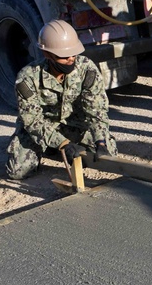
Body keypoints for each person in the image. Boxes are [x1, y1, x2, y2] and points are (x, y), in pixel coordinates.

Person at [6, 20, 116, 179]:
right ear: (47, 54)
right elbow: (32, 120)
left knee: (107, 156)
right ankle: (52, 147)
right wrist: (63, 143)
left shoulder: (87, 69)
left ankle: (57, 147)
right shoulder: (27, 78)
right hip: (44, 126)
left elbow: (96, 111)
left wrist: (100, 141)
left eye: (74, 53)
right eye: (64, 56)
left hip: (75, 125)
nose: (71, 59)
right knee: (18, 171)